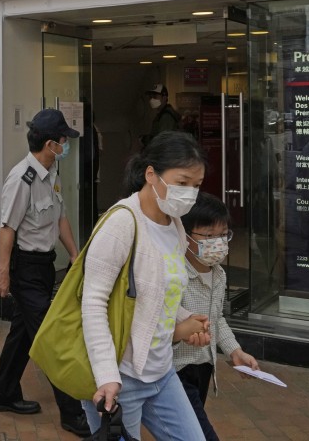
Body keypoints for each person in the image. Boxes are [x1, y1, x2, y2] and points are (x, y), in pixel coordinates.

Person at [82, 131, 212, 441]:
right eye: (182, 183)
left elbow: (156, 295)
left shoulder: (175, 226)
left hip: (161, 372)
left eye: (196, 186)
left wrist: (184, 320)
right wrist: (106, 376)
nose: (190, 194)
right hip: (118, 377)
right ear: (151, 174)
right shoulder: (121, 223)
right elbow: (93, 302)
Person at [0, 108, 89, 436]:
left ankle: (3, 393)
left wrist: (74, 254)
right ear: (50, 144)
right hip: (25, 269)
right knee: (52, 337)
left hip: (45, 266)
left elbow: (59, 217)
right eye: (63, 141)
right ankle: (72, 413)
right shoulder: (22, 179)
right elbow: (7, 228)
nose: (66, 146)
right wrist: (3, 272)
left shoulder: (52, 171)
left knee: (22, 333)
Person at [173, 192, 259, 441]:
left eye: (223, 235)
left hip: (204, 366)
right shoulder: (175, 275)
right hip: (175, 370)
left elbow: (217, 318)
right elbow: (161, 323)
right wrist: (183, 333)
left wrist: (235, 352)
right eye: (209, 236)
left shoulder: (219, 274)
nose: (218, 243)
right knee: (200, 434)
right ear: (185, 236)